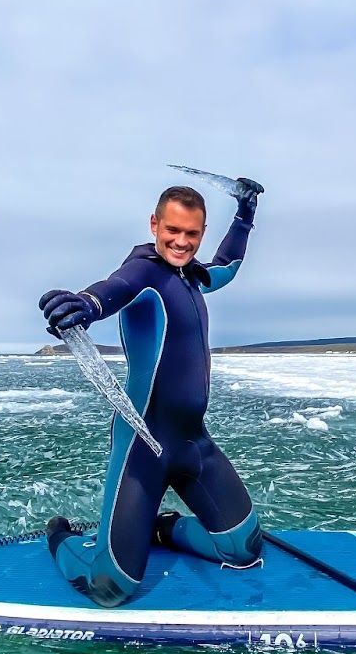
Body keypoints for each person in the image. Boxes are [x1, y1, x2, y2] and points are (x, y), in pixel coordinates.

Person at [38, 180, 264, 606]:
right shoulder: (144, 270)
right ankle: (59, 536)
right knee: (110, 588)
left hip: (194, 444)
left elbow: (228, 265)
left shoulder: (192, 276)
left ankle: (163, 528)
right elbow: (113, 289)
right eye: (172, 231)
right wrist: (83, 304)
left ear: (200, 233)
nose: (181, 241)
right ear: (155, 224)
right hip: (145, 449)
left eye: (192, 234)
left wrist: (245, 214)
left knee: (244, 548)